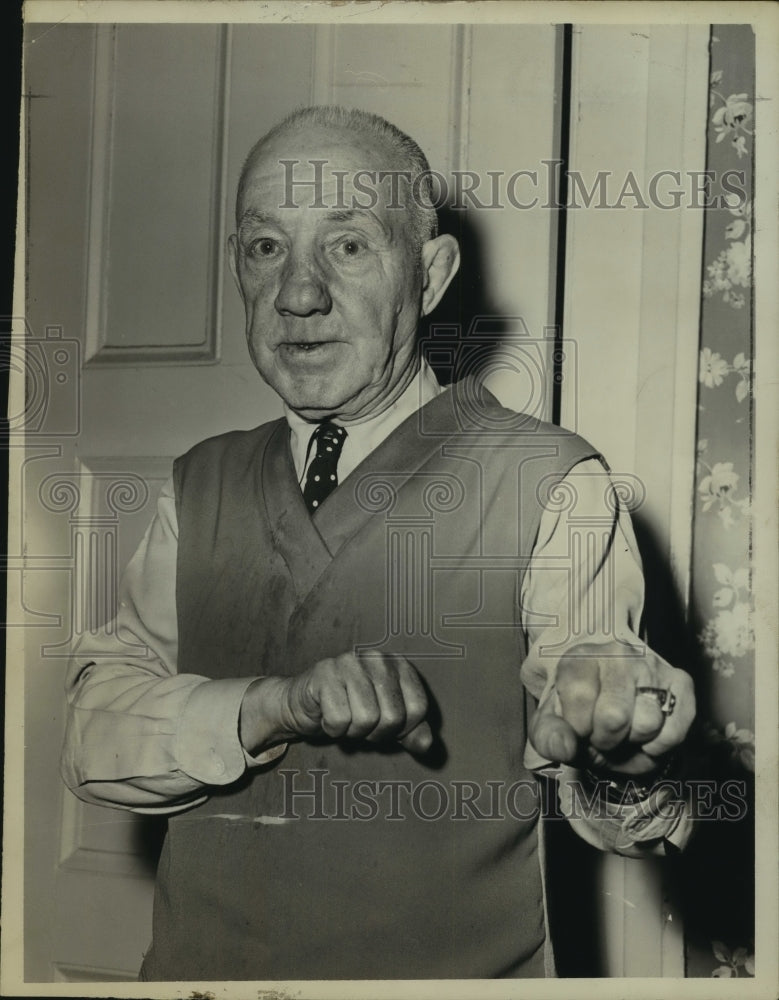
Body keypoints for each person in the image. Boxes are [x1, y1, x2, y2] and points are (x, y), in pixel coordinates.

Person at [61, 106, 695, 981]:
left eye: (348, 245)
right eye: (265, 248)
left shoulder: (551, 481)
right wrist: (273, 706)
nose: (299, 292)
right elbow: (93, 744)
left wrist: (619, 757)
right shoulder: (196, 482)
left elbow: (616, 803)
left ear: (430, 275)